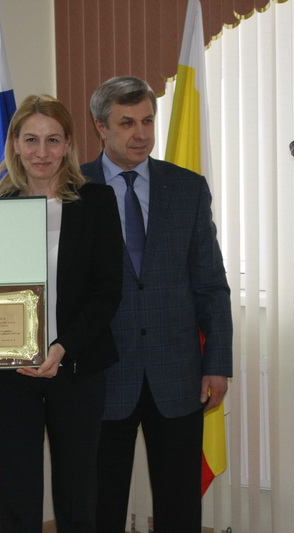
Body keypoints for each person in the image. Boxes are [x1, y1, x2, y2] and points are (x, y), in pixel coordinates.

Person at [0, 94, 123, 532]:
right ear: (15, 144)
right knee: (18, 495)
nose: (42, 152)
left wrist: (63, 346)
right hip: (10, 372)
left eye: (53, 140)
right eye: (31, 140)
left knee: (78, 497)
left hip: (77, 368)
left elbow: (108, 291)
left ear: (68, 143)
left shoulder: (96, 201)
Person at [81, 76, 233, 532]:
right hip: (101, 375)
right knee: (99, 507)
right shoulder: (73, 188)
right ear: (101, 127)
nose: (141, 133)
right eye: (127, 123)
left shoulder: (187, 188)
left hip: (177, 374)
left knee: (179, 508)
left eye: (147, 121)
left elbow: (211, 285)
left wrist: (217, 363)